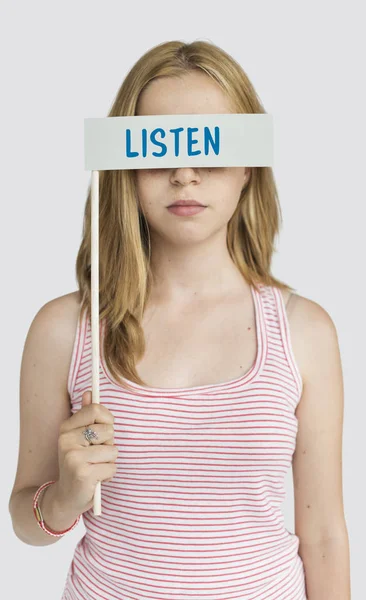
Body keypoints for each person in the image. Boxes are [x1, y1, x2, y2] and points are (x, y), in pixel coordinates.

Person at [9, 39, 350, 599]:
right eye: (159, 147)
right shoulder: (64, 330)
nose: (185, 173)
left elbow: (324, 535)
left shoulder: (304, 332)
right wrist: (67, 494)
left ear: (247, 168)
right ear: (127, 167)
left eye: (211, 147)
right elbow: (26, 519)